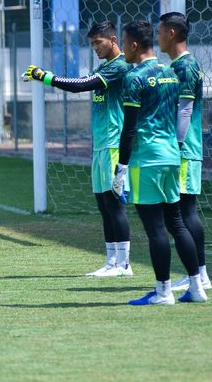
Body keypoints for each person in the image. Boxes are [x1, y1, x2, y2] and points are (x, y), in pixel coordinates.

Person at [22, 21, 133, 277]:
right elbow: (83, 82)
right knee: (104, 205)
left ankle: (124, 264)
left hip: (113, 146)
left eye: (98, 42)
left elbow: (79, 86)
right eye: (92, 43)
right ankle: (111, 262)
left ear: (113, 40)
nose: (95, 47)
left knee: (114, 205)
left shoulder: (119, 67)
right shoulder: (104, 66)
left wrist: (45, 76)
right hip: (100, 147)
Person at [111, 20, 206, 305]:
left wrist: (122, 168)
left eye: (125, 43)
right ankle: (197, 286)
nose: (123, 49)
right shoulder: (170, 73)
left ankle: (163, 292)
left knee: (155, 229)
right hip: (171, 157)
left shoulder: (134, 77)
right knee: (176, 223)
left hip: (147, 160)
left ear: (134, 45)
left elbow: (129, 129)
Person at [157, 12, 211, 292]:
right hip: (180, 149)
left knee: (185, 211)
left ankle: (200, 273)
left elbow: (186, 110)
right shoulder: (177, 66)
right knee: (179, 212)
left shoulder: (186, 67)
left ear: (172, 34)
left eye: (160, 31)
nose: (157, 37)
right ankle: (197, 272)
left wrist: (175, 146)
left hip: (184, 150)